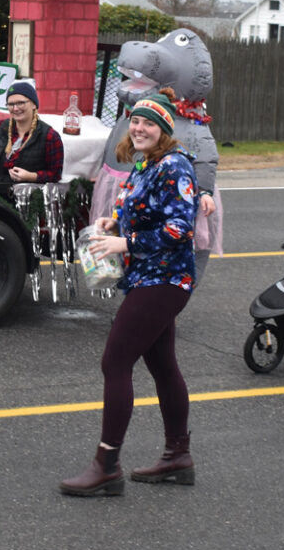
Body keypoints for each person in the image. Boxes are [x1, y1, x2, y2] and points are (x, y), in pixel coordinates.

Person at [61, 91, 199, 496]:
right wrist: (112, 222)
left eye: (149, 124)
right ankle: (178, 456)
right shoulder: (145, 163)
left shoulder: (174, 166)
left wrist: (127, 244)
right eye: (136, 121)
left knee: (114, 362)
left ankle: (107, 465)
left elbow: (180, 229)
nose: (139, 128)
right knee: (163, 365)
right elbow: (136, 211)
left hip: (166, 280)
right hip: (147, 277)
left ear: (164, 131)